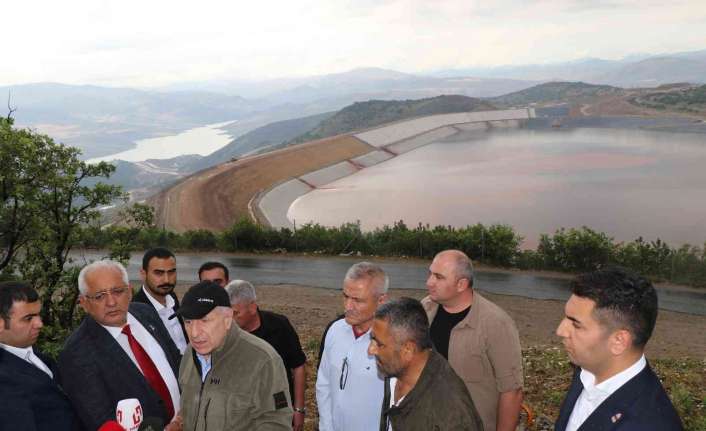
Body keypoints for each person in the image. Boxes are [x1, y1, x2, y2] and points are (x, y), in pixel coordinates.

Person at [554, 267, 683, 431]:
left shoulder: (649, 423)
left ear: (619, 341)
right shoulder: (587, 371)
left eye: (576, 324)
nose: (560, 331)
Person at [58, 260, 182, 430]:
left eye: (117, 291)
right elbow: (99, 420)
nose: (111, 302)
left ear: (130, 291)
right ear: (84, 303)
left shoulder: (146, 313)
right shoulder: (76, 354)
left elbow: (178, 365)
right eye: (100, 296)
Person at [422, 250, 523, 431]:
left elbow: (512, 391)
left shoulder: (496, 324)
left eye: (438, 277)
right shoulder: (426, 309)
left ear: (461, 284)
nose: (429, 282)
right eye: (430, 274)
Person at [175, 281, 293, 430]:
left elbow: (277, 424)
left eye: (204, 320)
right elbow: (191, 406)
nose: (194, 333)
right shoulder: (189, 354)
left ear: (227, 319)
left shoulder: (263, 360)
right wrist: (179, 422)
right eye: (188, 321)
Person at [369, 297, 484, 431]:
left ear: (407, 350)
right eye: (372, 339)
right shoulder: (395, 370)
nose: (370, 350)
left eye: (379, 343)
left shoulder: (451, 414)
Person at [225, 280, 307, 431]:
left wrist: (299, 409)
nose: (230, 320)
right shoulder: (226, 334)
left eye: (236, 313)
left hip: (279, 408)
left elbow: (298, 366)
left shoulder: (279, 326)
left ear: (252, 307)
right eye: (227, 313)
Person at [316, 261, 389, 431]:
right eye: (345, 296)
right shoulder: (335, 330)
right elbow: (324, 383)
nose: (348, 306)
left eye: (357, 300)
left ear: (381, 301)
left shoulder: (393, 342)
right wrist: (326, 427)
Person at [0, 281, 82, 431]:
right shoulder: (4, 379)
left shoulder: (34, 354)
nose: (39, 323)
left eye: (38, 315)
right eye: (28, 318)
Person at [133, 247, 188, 353]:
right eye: (159, 273)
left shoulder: (172, 297)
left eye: (171, 272)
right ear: (143, 274)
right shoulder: (135, 312)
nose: (167, 280)